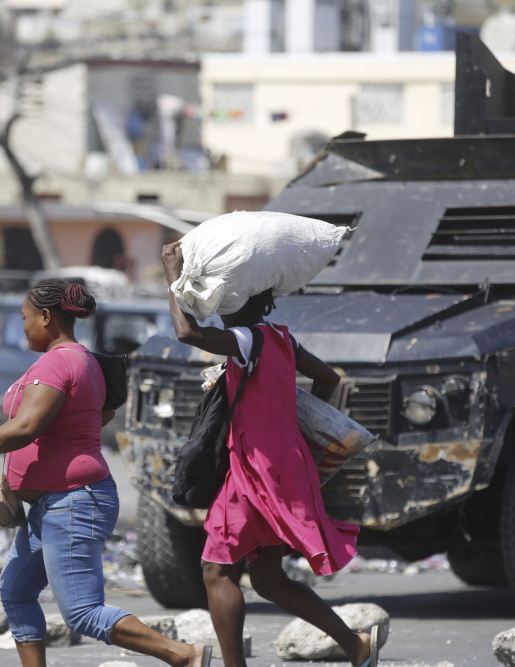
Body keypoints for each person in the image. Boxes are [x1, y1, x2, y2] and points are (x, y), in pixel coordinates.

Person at [0, 278, 212, 667]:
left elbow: (26, 427)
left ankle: (184, 655)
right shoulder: (83, 360)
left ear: (46, 317)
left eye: (25, 318)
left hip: (75, 501)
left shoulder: (60, 361)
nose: (23, 326)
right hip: (53, 503)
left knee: (82, 611)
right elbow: (97, 415)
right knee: (16, 591)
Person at [161, 241, 379, 667]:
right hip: (286, 466)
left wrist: (173, 276)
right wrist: (291, 418)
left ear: (236, 301)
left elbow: (186, 332)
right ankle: (356, 645)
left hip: (254, 470)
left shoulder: (244, 339)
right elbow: (328, 378)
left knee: (217, 571)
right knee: (268, 577)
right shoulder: (280, 338)